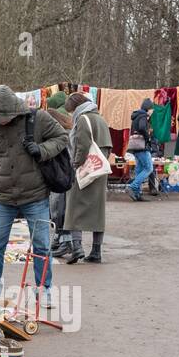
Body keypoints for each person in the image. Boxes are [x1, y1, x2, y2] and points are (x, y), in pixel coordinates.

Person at [0, 84, 68, 297]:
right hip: (2, 196)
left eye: (3, 117)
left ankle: (44, 289)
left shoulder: (39, 119)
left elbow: (61, 138)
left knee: (42, 246)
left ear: (12, 109)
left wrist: (43, 150)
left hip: (34, 195)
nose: (1, 121)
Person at [61, 92, 111, 264]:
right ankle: (96, 251)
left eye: (69, 111)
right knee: (98, 211)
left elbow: (81, 146)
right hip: (99, 170)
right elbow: (108, 146)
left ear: (75, 107)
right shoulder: (101, 119)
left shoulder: (83, 119)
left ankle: (77, 248)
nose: (69, 114)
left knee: (73, 207)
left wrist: (76, 165)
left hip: (84, 170)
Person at [42, 92, 71, 253]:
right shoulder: (65, 124)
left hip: (60, 173)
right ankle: (62, 240)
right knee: (60, 208)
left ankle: (64, 241)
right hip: (63, 173)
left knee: (58, 208)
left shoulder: (59, 130)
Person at [126, 98, 155, 202]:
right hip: (142, 146)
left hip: (135, 147)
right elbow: (142, 128)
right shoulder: (143, 116)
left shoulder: (136, 116)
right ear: (148, 108)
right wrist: (148, 138)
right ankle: (133, 187)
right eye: (152, 109)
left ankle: (137, 194)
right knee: (148, 168)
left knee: (139, 170)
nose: (153, 111)